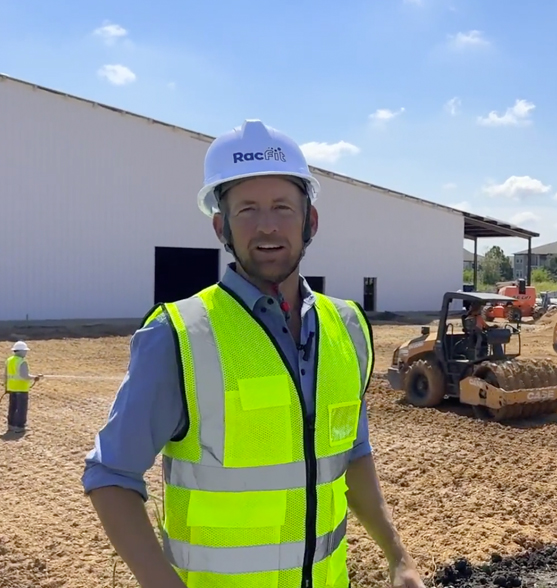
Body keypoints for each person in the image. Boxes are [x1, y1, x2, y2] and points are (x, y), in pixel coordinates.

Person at [82, 120, 425, 588]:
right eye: (246, 209)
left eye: (283, 207)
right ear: (221, 226)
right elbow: (111, 475)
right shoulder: (179, 334)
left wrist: (398, 556)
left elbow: (354, 452)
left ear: (311, 221)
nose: (266, 224)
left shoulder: (346, 327)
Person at [5, 340, 41, 433]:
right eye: (25, 351)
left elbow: (5, 375)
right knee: (21, 408)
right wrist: (35, 377)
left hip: (12, 388)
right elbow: (24, 376)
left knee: (12, 407)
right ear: (20, 351)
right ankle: (20, 426)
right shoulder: (22, 362)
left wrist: (6, 387)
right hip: (21, 389)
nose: (26, 353)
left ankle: (11, 425)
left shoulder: (9, 360)